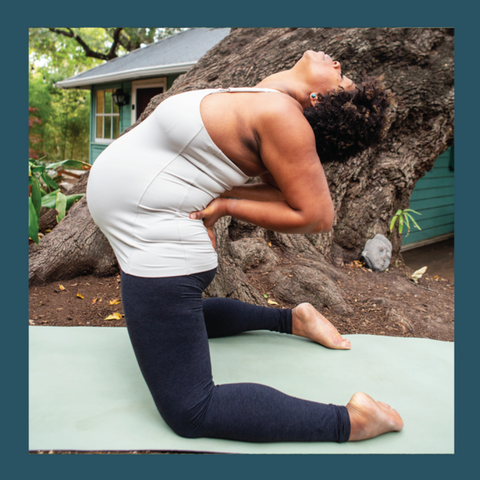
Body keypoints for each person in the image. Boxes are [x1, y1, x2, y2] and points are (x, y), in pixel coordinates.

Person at [87, 50, 403, 443]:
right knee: (178, 319)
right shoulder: (270, 96)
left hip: (162, 237)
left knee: (191, 411)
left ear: (318, 100)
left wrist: (227, 205)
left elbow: (317, 214)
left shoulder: (285, 119)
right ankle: (294, 320)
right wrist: (207, 191)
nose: (338, 64)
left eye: (343, 80)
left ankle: (352, 421)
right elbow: (274, 185)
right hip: (144, 230)